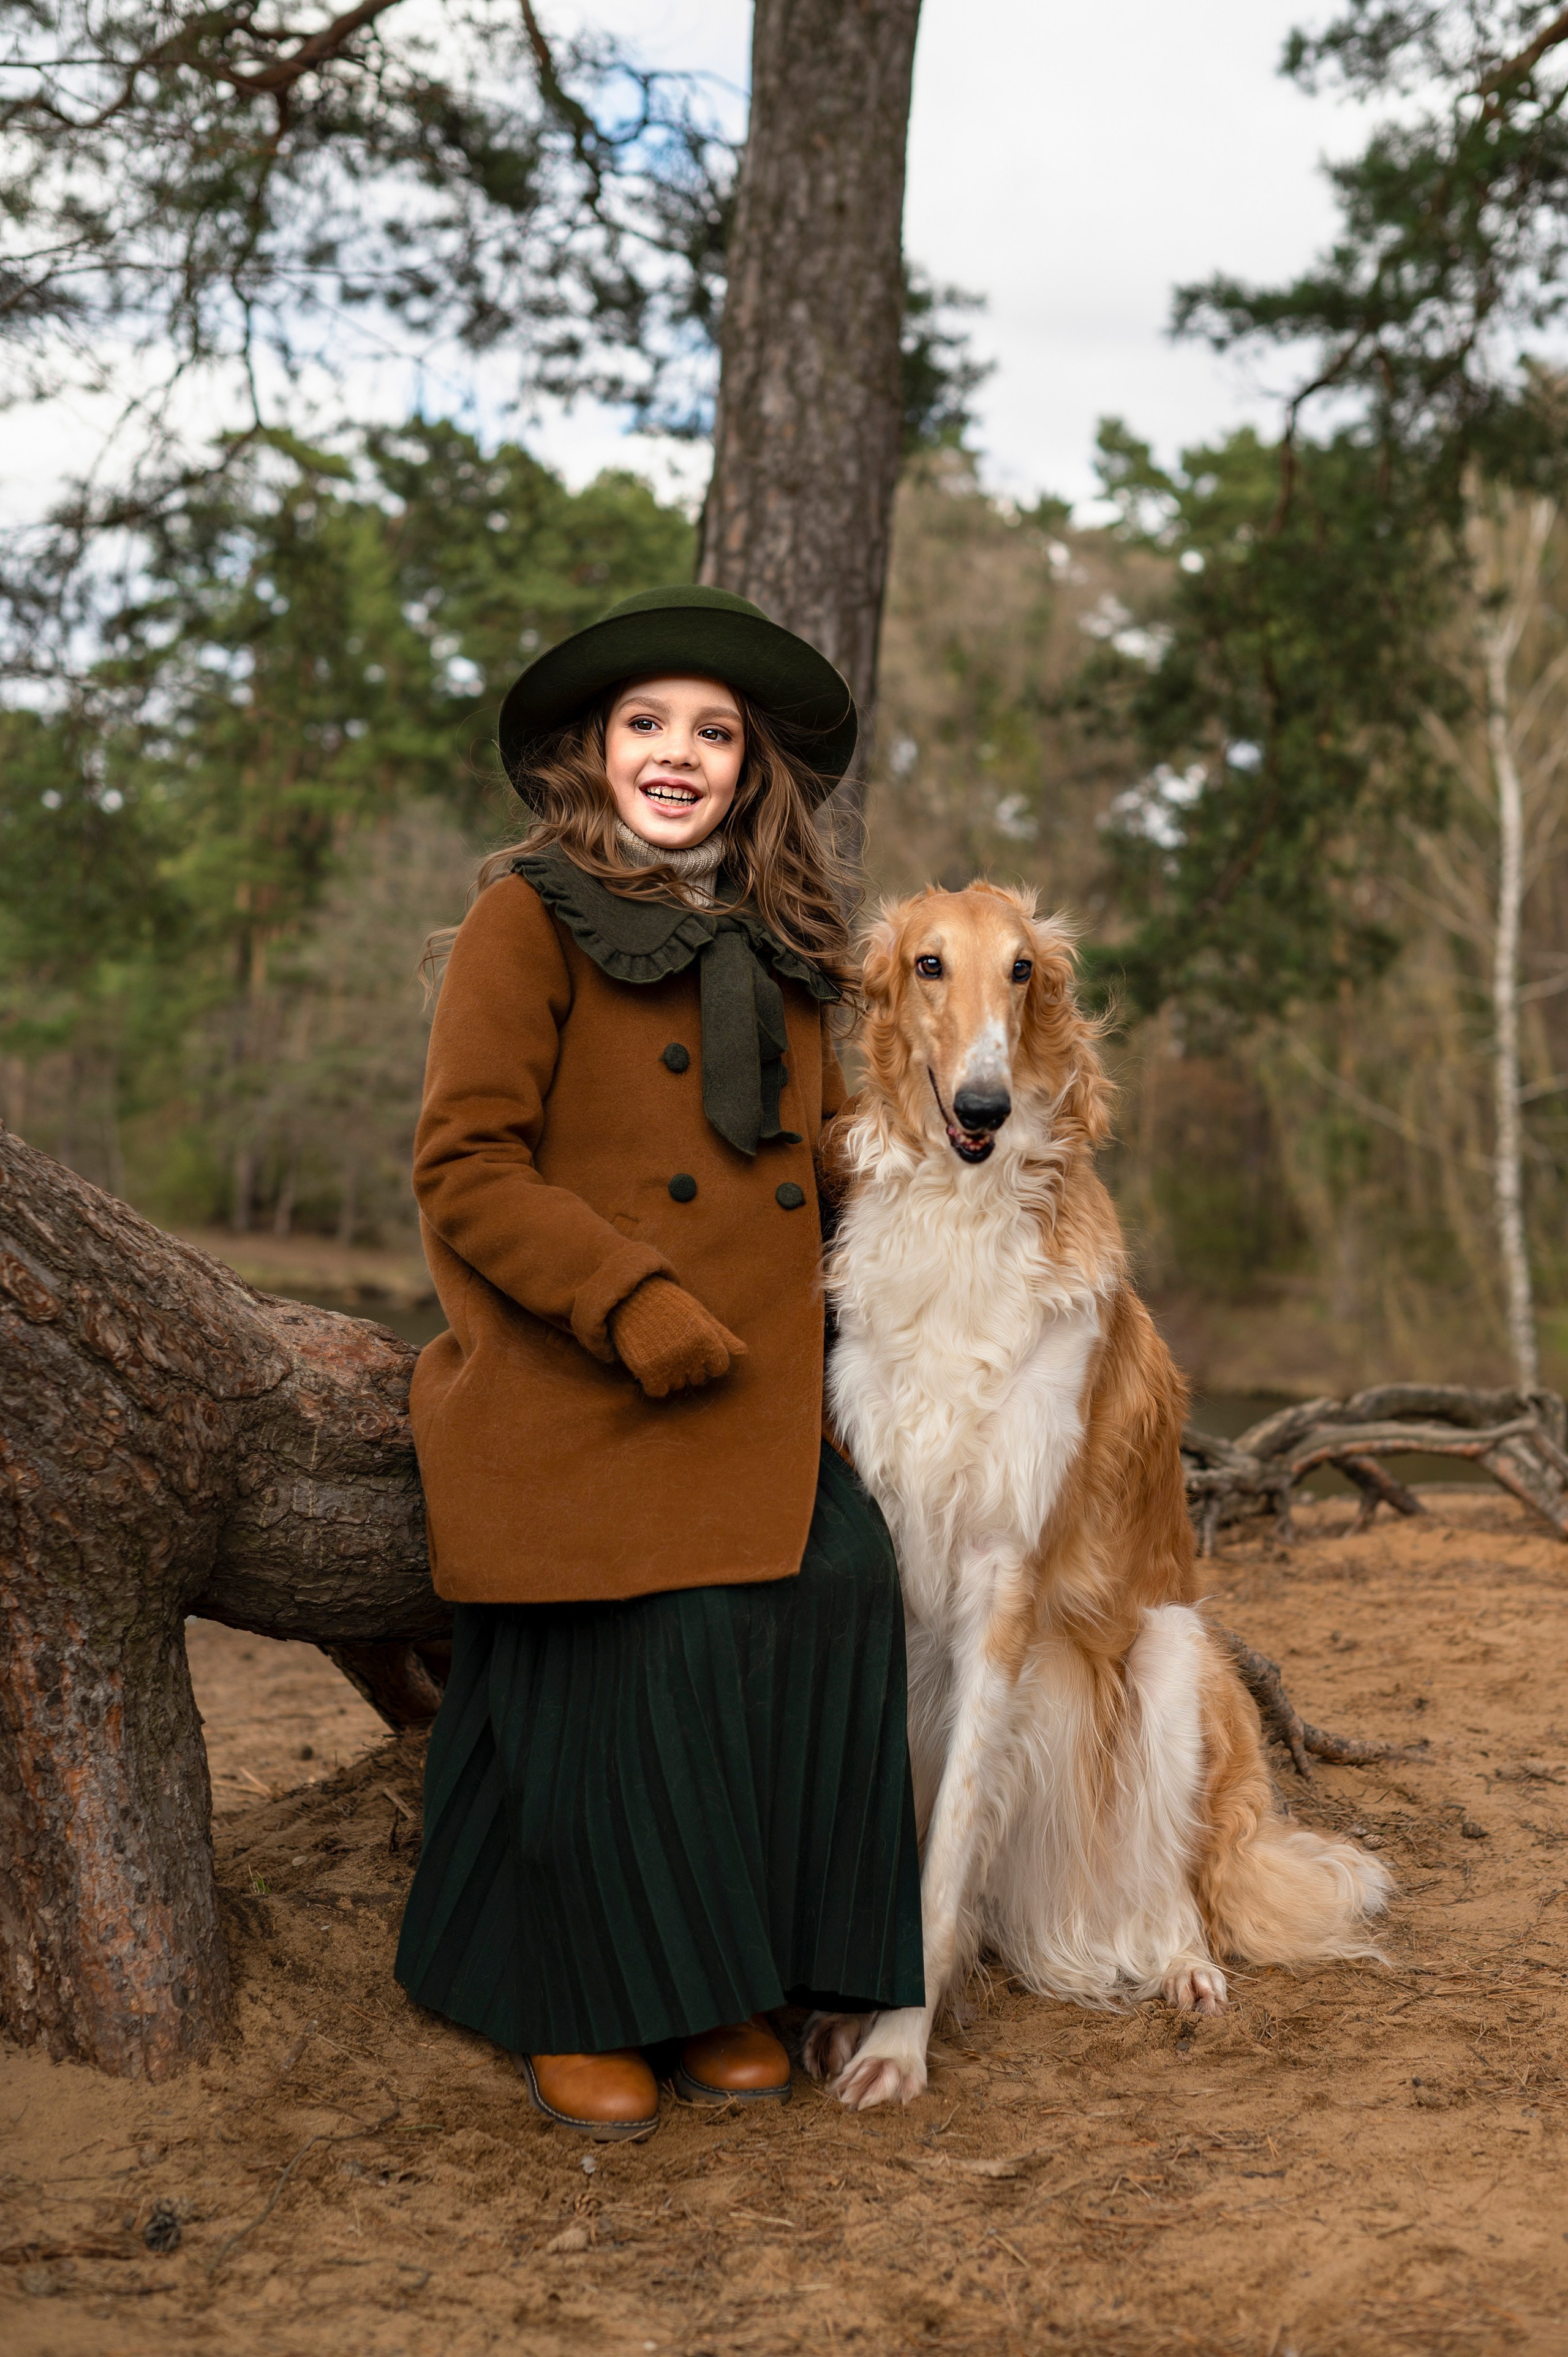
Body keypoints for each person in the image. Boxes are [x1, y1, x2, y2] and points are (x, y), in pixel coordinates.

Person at [394, 584, 924, 2138]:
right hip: (579, 1372)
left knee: (837, 1586)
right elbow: (467, 1164)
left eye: (712, 731)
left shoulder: (784, 947)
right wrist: (629, 1304)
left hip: (748, 1383)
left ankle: (730, 1980)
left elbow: (824, 1162)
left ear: (750, 770)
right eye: (647, 726)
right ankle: (583, 1996)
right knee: (661, 1620)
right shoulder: (528, 914)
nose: (677, 752)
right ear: (596, 752)